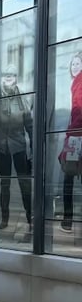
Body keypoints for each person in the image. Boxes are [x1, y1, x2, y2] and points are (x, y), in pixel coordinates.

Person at [0, 61, 32, 230]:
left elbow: (29, 123)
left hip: (19, 145)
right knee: (5, 184)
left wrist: (32, 146)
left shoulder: (22, 98)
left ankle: (29, 215)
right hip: (3, 147)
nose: (8, 78)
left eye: (11, 75)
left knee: (24, 182)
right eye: (5, 75)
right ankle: (5, 219)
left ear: (16, 78)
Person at [59, 52, 82, 232]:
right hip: (75, 134)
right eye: (72, 64)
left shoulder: (80, 83)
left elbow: (79, 112)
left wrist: (69, 137)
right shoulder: (75, 84)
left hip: (76, 136)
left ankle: (67, 220)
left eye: (78, 63)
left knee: (68, 177)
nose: (74, 67)